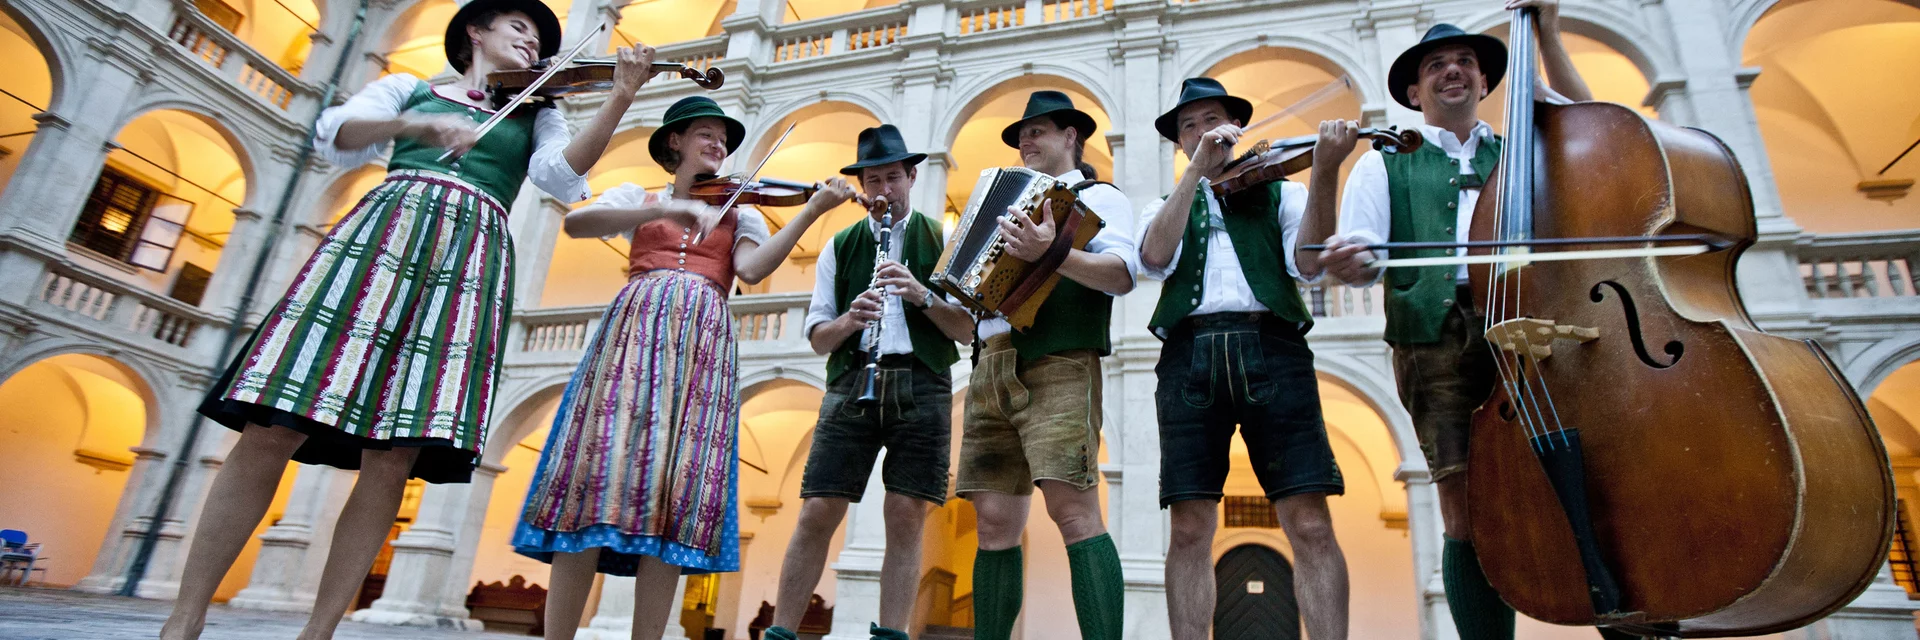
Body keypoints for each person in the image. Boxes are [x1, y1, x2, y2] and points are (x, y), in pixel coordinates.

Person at [163, 1, 644, 637]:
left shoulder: (539, 112)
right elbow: (338, 131)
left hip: (470, 260)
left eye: (539, 37)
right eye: (519, 28)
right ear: (475, 31)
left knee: (394, 455)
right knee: (272, 425)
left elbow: (561, 178)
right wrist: (415, 126)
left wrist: (620, 96)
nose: (532, 42)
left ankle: (320, 630)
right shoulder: (409, 88)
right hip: (381, 242)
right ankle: (185, 618)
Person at [1317, 2, 1631, 638]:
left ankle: (1625, 619)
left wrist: (1549, 33)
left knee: (1584, 481)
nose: (1453, 71)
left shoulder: (1525, 152)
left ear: (1486, 83)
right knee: (1462, 505)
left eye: (1466, 62)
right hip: (1433, 337)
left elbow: (1603, 129)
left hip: (1533, 324)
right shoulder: (1383, 162)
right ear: (1414, 90)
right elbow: (1364, 254)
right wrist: (1352, 263)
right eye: (1437, 65)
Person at [511, 95, 855, 640]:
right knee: (596, 476)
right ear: (674, 142)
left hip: (701, 343)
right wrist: (661, 211)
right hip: (631, 335)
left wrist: (811, 211)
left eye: (723, 138)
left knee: (677, 486)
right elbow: (579, 224)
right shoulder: (640, 198)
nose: (718, 144)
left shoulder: (739, 211)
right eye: (706, 134)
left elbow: (754, 270)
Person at [1136, 77, 1356, 640]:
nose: (1202, 130)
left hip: (1274, 348)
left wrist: (1326, 168)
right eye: (1189, 125)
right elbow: (1155, 257)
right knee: (1188, 526)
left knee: (1309, 519)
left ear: (1236, 126)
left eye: (1212, 118)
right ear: (1180, 142)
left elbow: (1309, 267)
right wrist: (1195, 176)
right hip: (1188, 355)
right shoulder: (1165, 203)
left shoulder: (1280, 190)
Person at [763, 125, 976, 640]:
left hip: (922, 383)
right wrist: (850, 322)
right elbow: (818, 338)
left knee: (906, 513)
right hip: (852, 378)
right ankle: (781, 633)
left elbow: (969, 329)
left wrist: (922, 295)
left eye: (891, 179)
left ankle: (891, 634)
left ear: (911, 178)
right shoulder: (841, 245)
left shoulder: (945, 238)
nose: (881, 191)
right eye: (873, 180)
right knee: (818, 509)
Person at [958, 90, 1137, 640]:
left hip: (1060, 357)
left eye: (1038, 130)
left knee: (1074, 509)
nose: (1025, 141)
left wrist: (1051, 252)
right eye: (1020, 135)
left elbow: (1122, 273)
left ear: (1071, 137)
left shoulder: (1102, 196)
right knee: (991, 522)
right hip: (990, 363)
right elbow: (970, 286)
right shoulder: (1003, 200)